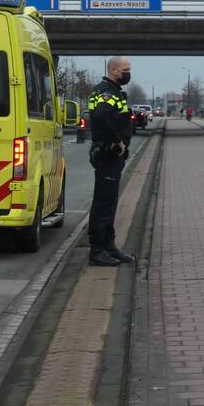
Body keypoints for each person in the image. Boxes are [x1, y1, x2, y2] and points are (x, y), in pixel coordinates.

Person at [86, 56, 136, 267]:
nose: (128, 73)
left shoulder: (114, 91)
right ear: (114, 70)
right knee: (104, 203)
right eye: (125, 69)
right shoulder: (106, 92)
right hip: (107, 154)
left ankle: (109, 246)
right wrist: (118, 140)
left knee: (111, 201)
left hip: (112, 155)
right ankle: (97, 250)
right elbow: (100, 116)